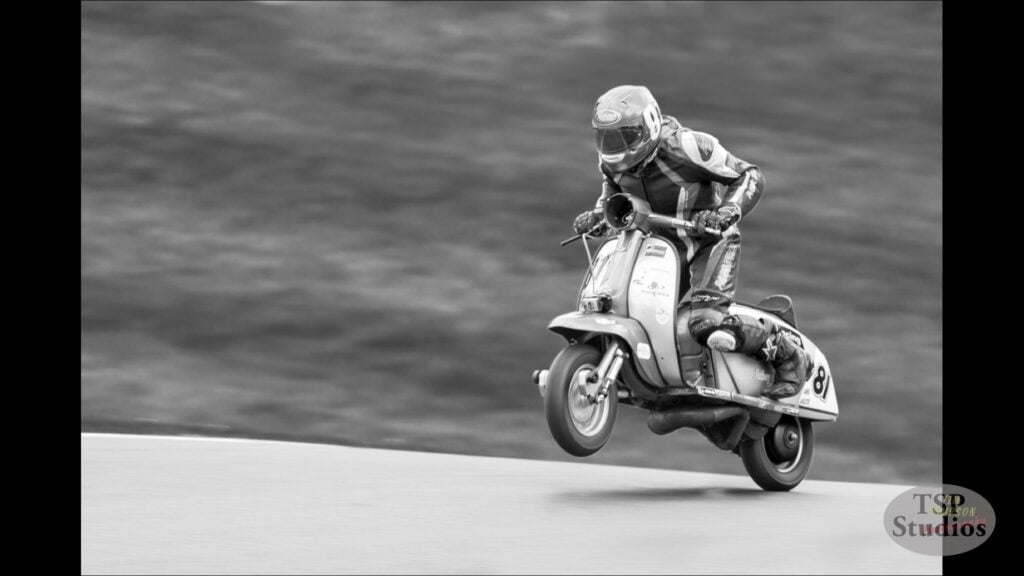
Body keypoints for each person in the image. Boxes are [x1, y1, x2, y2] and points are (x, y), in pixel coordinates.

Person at [573, 85, 811, 399]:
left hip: (708, 242)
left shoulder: (687, 147)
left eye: (624, 137)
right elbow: (613, 203)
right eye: (606, 138)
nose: (614, 147)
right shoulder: (611, 163)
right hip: (655, 253)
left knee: (704, 324)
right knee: (640, 318)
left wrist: (727, 212)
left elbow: (750, 176)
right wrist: (597, 217)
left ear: (651, 124)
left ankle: (788, 354)